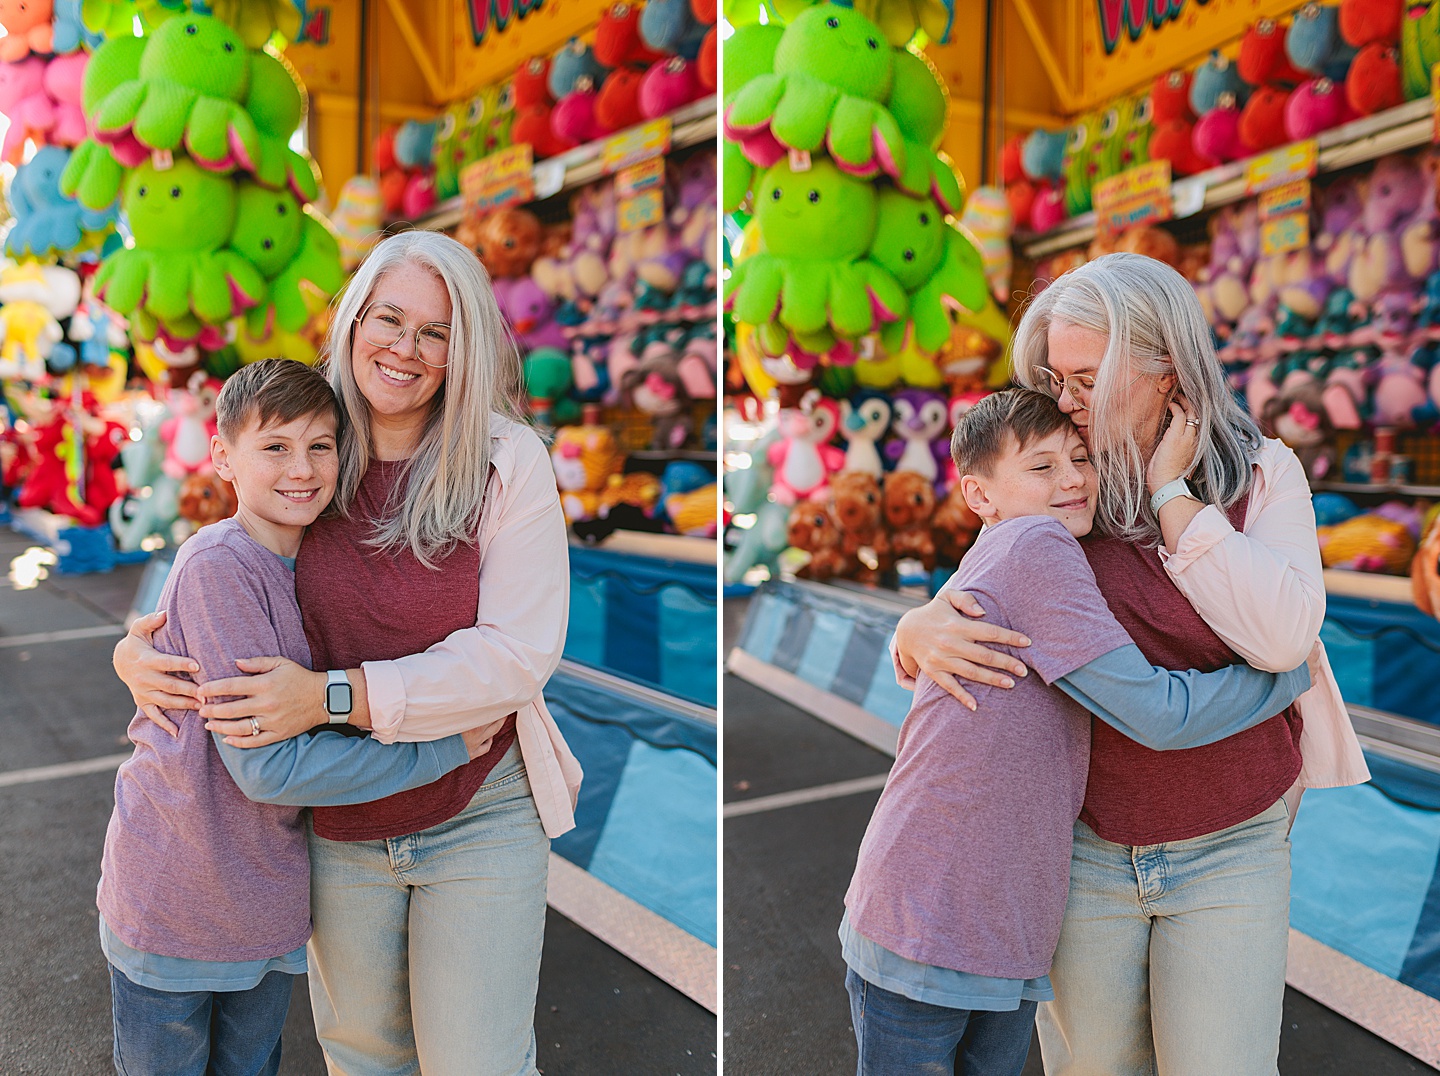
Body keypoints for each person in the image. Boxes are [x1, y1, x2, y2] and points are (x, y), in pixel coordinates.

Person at [113, 231, 582, 1076]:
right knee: (365, 1060)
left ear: (463, 346)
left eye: (435, 332)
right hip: (336, 819)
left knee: (476, 1062)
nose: (405, 348)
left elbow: (516, 656)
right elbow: (227, 566)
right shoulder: (311, 439)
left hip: (476, 799)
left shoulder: (506, 459)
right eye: (388, 318)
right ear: (354, 317)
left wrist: (333, 697)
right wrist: (142, 648)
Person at [889, 252, 1368, 1076]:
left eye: (1086, 378)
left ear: (1166, 369)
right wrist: (913, 629)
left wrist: (1169, 496)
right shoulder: (1058, 487)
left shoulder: (1261, 474)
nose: (1065, 403)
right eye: (1055, 377)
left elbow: (1286, 635)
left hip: (1233, 845)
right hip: (1079, 848)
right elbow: (980, 592)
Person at [842, 388, 1312, 1076]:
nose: (1071, 480)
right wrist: (1284, 676)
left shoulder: (1020, 539)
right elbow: (1157, 712)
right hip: (936, 918)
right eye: (1042, 467)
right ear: (979, 495)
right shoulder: (1036, 542)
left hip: (984, 922)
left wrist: (910, 629)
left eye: (1081, 458)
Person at [100, 359, 496, 1076]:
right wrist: (435, 752)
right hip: (178, 898)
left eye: (320, 445)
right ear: (222, 456)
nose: (302, 468)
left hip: (262, 902)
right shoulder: (223, 565)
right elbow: (267, 768)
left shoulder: (314, 560)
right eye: (275, 446)